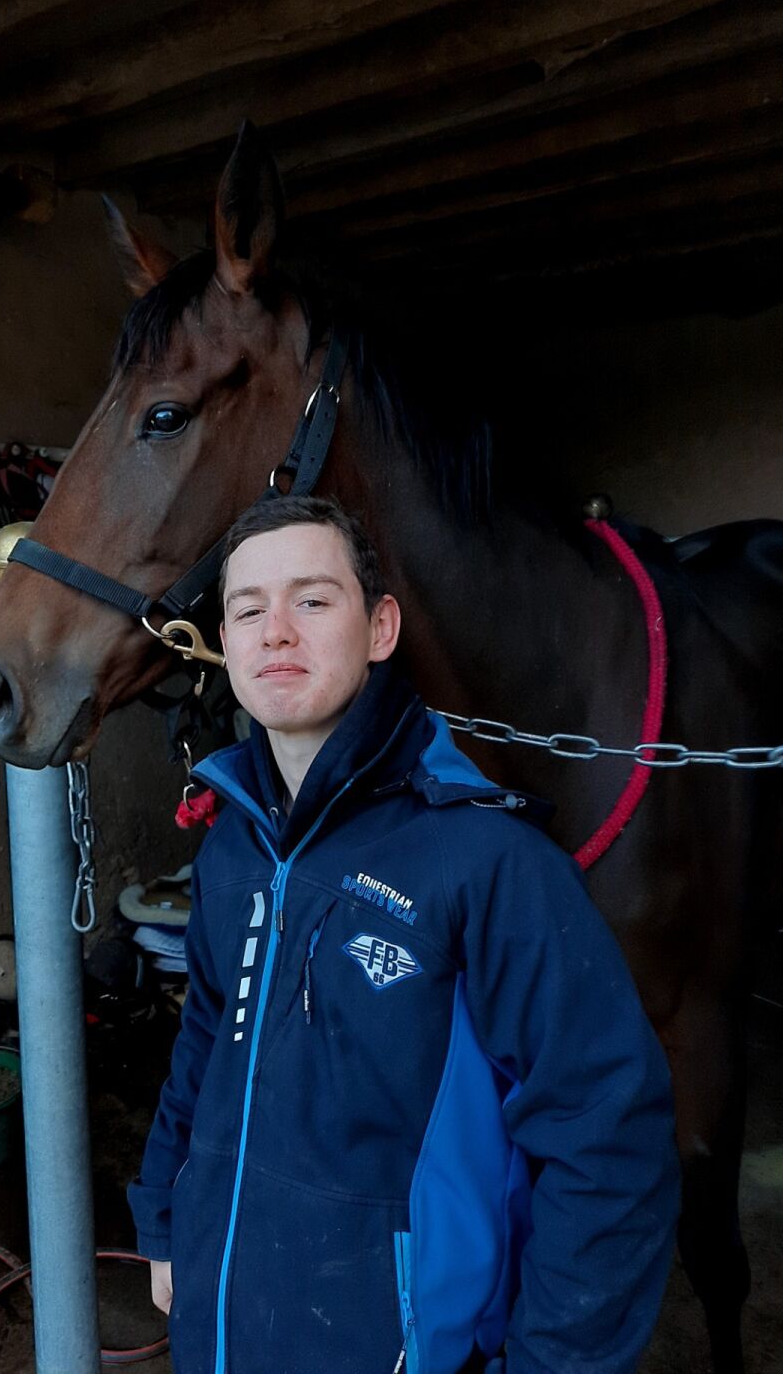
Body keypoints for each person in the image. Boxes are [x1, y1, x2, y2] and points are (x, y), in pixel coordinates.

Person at [128, 495, 679, 1374]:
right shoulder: (231, 848)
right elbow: (204, 1036)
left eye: (312, 600)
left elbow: (609, 1136)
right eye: (248, 610)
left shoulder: (488, 862)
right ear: (223, 642)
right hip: (226, 1330)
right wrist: (165, 1219)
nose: (276, 632)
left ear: (380, 628)